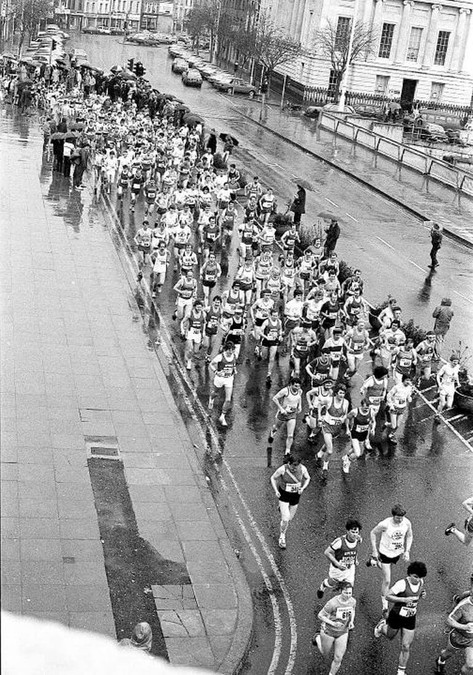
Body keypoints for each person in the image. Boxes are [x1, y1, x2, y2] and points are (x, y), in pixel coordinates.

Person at [374, 561, 428, 675]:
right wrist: (403, 600)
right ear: (410, 574)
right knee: (390, 636)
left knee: (406, 646)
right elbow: (388, 596)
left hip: (410, 616)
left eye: (420, 577)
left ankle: (401, 671)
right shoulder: (401, 584)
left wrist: (422, 594)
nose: (418, 579)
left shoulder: (421, 582)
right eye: (415, 577)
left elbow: (419, 592)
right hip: (397, 615)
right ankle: (381, 626)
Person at [369, 504, 414, 616]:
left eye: (402, 517)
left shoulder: (406, 523)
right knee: (387, 580)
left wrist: (407, 551)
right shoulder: (385, 524)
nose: (400, 520)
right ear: (393, 516)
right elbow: (373, 533)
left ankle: (374, 562)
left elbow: (409, 536)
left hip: (397, 553)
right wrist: (374, 550)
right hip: (385, 553)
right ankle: (385, 604)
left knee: (386, 570)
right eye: (398, 517)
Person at [312, 581, 356, 675]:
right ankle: (317, 638)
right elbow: (320, 615)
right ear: (341, 591)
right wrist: (333, 623)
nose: (348, 595)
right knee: (325, 653)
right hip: (329, 631)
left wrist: (351, 621)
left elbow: (352, 610)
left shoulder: (352, 601)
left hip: (343, 632)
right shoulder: (332, 603)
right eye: (346, 593)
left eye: (350, 593)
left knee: (338, 657)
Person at [270, 454, 310, 549]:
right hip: (284, 494)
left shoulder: (303, 469)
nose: (294, 468)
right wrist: (276, 490)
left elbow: (308, 478)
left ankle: (282, 509)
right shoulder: (282, 469)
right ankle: (282, 536)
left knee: (290, 518)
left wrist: (303, 488)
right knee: (285, 519)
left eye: (297, 466)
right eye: (293, 466)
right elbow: (273, 478)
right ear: (289, 463)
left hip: (295, 495)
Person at [435, 576, 473, 674]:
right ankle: (440, 660)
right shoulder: (463, 606)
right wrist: (464, 627)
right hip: (459, 637)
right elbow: (449, 620)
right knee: (447, 654)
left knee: (470, 665)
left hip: (471, 640)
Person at [316, 519, 363, 598]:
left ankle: (343, 605)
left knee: (349, 588)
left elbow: (355, 549)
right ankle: (323, 585)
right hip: (338, 570)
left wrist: (355, 559)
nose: (355, 535)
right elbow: (327, 552)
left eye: (356, 532)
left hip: (350, 568)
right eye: (352, 532)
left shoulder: (358, 539)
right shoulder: (339, 542)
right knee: (331, 583)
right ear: (347, 531)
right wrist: (337, 564)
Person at [316, 384, 350, 476]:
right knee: (330, 450)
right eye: (340, 393)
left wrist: (347, 428)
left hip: (337, 428)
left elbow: (346, 415)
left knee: (327, 444)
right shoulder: (329, 400)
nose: (342, 395)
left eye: (343, 393)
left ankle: (319, 455)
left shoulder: (346, 402)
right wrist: (319, 416)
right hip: (327, 426)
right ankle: (325, 467)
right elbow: (319, 404)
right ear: (336, 393)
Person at [268, 377, 303, 455]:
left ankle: (287, 452)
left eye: (298, 386)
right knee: (276, 428)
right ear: (291, 385)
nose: (297, 388)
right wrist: (281, 409)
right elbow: (275, 398)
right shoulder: (285, 391)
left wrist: (300, 406)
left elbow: (299, 398)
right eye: (295, 386)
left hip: (292, 414)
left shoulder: (300, 391)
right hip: (283, 413)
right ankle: (272, 432)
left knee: (290, 435)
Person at [341, 399, 375, 473]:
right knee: (357, 453)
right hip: (355, 434)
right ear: (361, 406)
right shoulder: (355, 411)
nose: (367, 409)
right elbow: (347, 418)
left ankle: (346, 456)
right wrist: (347, 428)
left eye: (368, 408)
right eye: (365, 408)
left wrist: (373, 429)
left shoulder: (371, 412)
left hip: (364, 434)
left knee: (358, 450)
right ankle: (347, 462)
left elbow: (373, 421)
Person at [208, 341, 237, 426]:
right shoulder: (220, 357)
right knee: (215, 393)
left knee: (228, 399)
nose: (230, 352)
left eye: (232, 350)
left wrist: (234, 370)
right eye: (229, 350)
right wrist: (216, 372)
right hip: (220, 378)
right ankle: (211, 400)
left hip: (229, 379)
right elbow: (211, 364)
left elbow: (234, 364)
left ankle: (222, 416)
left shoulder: (234, 356)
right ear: (225, 350)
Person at [385, 375, 414, 444]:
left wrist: (409, 398)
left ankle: (389, 427)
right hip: (394, 407)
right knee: (394, 425)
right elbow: (388, 396)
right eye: (407, 380)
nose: (408, 382)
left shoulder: (409, 388)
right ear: (403, 380)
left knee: (398, 425)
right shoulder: (397, 387)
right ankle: (391, 435)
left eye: (409, 380)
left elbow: (408, 396)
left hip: (402, 408)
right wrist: (391, 405)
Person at [436, 354, 460, 419]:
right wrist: (439, 385)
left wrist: (458, 383)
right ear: (451, 361)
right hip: (444, 386)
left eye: (456, 361)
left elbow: (456, 375)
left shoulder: (457, 367)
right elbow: (438, 375)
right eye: (454, 361)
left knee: (449, 405)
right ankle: (437, 415)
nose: (455, 363)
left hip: (451, 387)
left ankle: (442, 401)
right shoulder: (445, 367)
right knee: (442, 404)